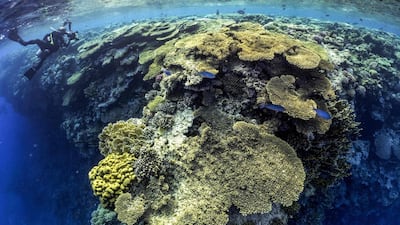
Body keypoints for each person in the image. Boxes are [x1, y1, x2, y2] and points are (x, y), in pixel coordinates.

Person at [7, 20, 79, 80]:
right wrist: (67, 23)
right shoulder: (58, 33)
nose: (60, 30)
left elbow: (65, 45)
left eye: (62, 31)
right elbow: (63, 29)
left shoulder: (61, 38)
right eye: (61, 30)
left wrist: (69, 39)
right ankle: (17, 38)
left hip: (49, 48)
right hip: (47, 47)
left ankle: (32, 71)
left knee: (41, 55)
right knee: (42, 57)